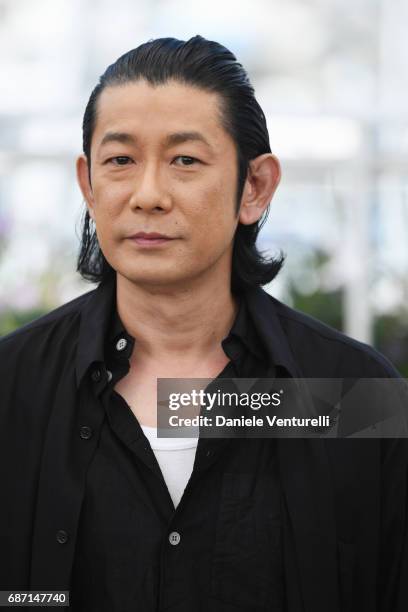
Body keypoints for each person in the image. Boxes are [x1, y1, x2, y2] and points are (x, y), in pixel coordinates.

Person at [0, 35, 407, 612]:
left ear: (255, 186)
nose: (148, 195)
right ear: (88, 184)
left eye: (185, 160)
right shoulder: (13, 387)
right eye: (120, 160)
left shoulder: (359, 394)